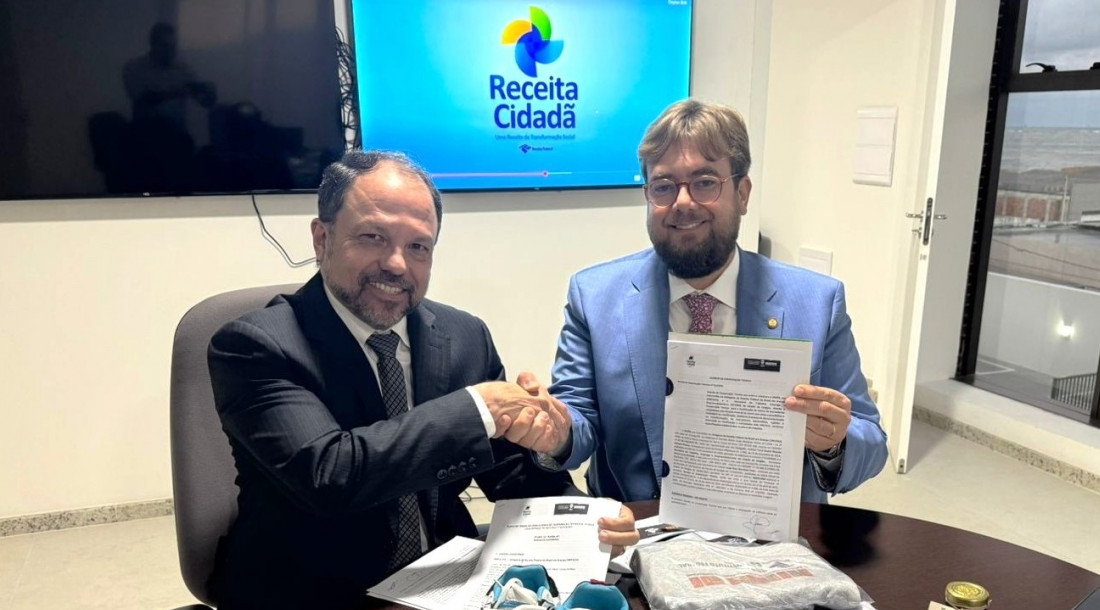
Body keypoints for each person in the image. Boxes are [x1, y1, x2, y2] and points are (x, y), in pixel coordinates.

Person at [207, 150, 637, 609]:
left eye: (418, 247)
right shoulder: (255, 345)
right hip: (308, 590)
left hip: (443, 581)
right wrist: (478, 409)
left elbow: (510, 471)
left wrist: (587, 517)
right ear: (322, 238)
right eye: (373, 237)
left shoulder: (464, 335)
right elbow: (329, 476)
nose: (396, 264)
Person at [546, 99, 888, 504]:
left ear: (742, 194)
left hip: (768, 533)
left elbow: (870, 440)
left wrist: (833, 442)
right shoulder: (593, 297)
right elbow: (576, 418)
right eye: (663, 186)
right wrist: (555, 430)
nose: (683, 201)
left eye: (705, 182)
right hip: (638, 527)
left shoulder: (817, 303)